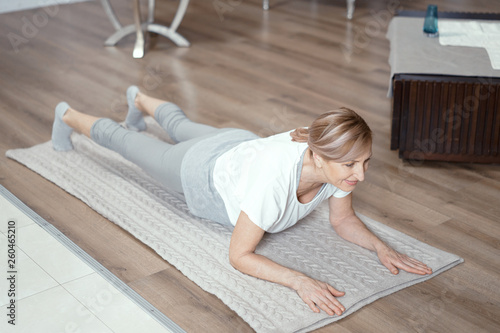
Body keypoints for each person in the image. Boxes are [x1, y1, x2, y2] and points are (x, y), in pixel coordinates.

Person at [52, 86, 433, 316]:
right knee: (129, 144)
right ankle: (65, 114)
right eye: (352, 164)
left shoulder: (337, 164)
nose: (360, 175)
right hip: (199, 169)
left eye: (365, 162)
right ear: (317, 156)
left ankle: (138, 98)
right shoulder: (274, 180)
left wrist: (382, 248)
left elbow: (343, 221)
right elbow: (239, 255)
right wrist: (298, 280)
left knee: (181, 125)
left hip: (240, 143)